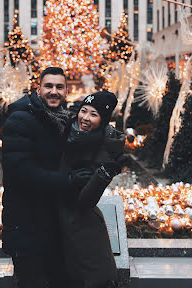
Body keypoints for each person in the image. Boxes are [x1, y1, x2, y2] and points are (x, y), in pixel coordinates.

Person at [2, 66, 92, 288]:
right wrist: (68, 182)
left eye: (59, 87)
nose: (54, 91)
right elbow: (22, 172)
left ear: (66, 91)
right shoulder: (20, 120)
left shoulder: (65, 120)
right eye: (48, 86)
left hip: (54, 226)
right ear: (38, 88)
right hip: (26, 227)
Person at [59, 90, 126, 288]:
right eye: (84, 111)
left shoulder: (103, 149)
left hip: (80, 227)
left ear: (102, 120)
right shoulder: (64, 130)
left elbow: (85, 201)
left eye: (93, 114)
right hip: (52, 218)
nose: (85, 118)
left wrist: (103, 175)